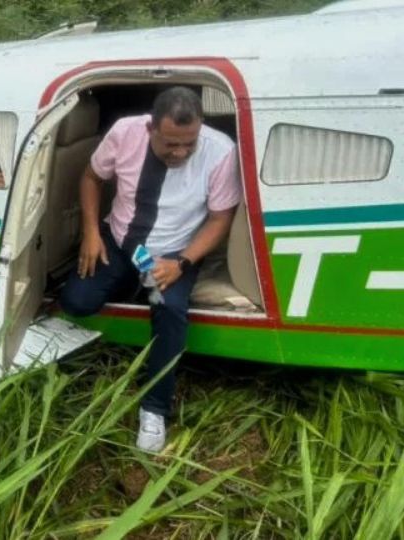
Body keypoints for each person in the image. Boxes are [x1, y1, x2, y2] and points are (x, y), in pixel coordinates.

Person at [59, 87, 241, 453]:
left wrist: (183, 263)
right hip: (121, 239)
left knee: (169, 309)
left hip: (173, 253)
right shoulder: (125, 132)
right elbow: (92, 178)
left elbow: (221, 218)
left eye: (189, 144)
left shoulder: (220, 151)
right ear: (150, 129)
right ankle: (129, 282)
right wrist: (92, 233)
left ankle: (155, 408)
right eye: (171, 144)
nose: (181, 152)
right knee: (76, 301)